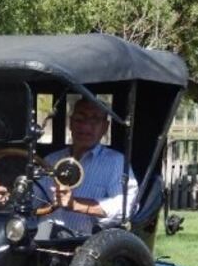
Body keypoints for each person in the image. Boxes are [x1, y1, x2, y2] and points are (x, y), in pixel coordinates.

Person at [38, 97, 139, 235]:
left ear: (105, 127)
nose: (85, 127)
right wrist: (8, 197)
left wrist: (76, 204)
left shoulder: (116, 162)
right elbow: (32, 199)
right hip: (43, 242)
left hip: (89, 247)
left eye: (95, 120)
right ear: (70, 123)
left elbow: (126, 206)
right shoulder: (51, 160)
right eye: (80, 119)